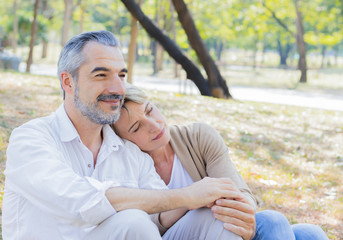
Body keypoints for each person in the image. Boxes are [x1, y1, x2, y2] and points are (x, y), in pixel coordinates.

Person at [3, 30, 246, 240]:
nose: (117, 88)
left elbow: (160, 212)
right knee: (134, 223)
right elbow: (82, 201)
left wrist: (209, 200)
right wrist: (186, 195)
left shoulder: (130, 153)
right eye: (101, 75)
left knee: (217, 218)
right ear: (68, 82)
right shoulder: (31, 139)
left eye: (121, 75)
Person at [112, 83, 329, 240]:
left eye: (150, 110)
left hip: (227, 227)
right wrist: (191, 199)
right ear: (122, 139)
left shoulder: (197, 137)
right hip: (181, 235)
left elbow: (240, 193)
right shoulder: (125, 166)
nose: (154, 125)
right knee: (274, 220)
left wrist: (243, 214)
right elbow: (149, 228)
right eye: (136, 127)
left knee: (310, 233)